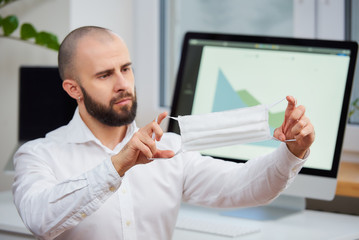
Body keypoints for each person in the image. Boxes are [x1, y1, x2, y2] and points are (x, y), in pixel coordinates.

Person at [12, 26, 315, 240]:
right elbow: (41, 221)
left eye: (126, 69)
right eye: (105, 75)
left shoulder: (169, 149)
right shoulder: (39, 154)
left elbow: (245, 187)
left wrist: (292, 151)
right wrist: (118, 165)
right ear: (73, 88)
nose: (122, 84)